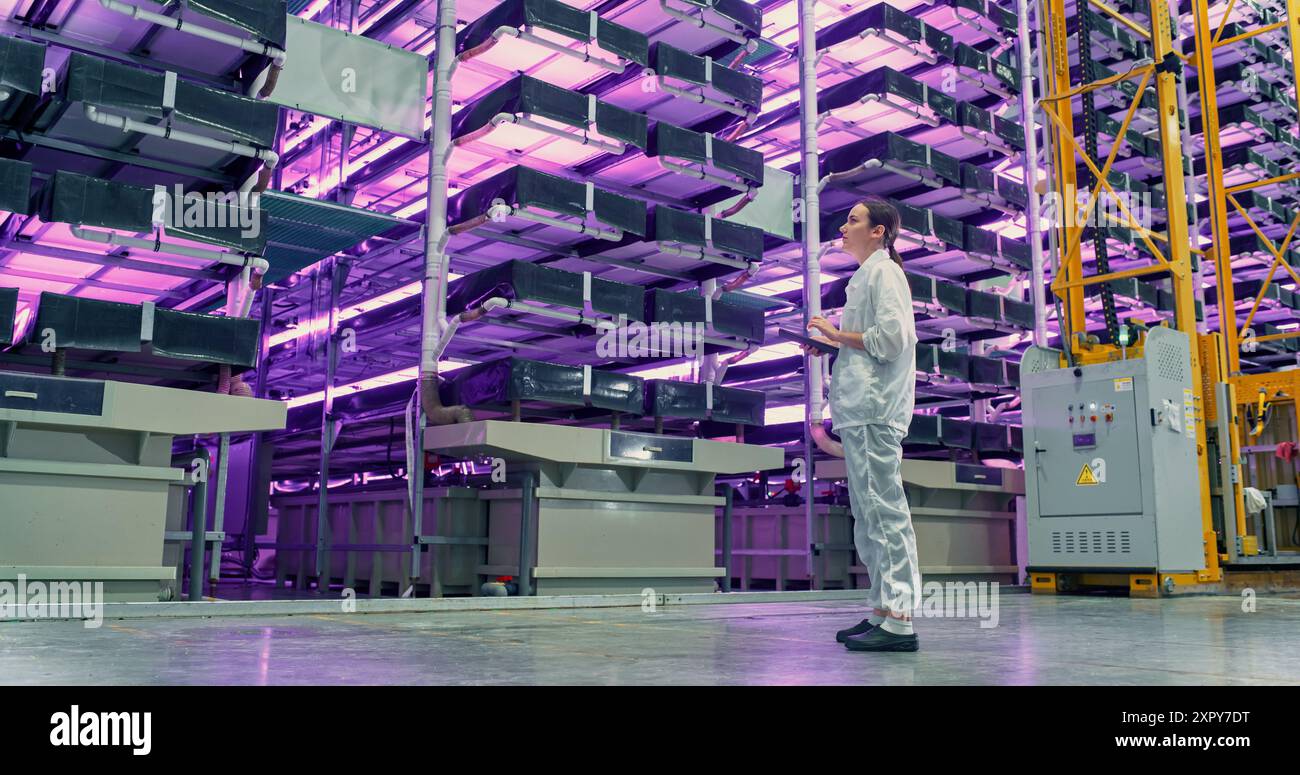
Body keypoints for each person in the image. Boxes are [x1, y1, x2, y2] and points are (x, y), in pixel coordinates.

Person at [804, 198, 922, 653]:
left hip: (876, 410)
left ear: (878, 231)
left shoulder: (885, 273)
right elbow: (867, 343)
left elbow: (893, 339)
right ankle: (882, 610)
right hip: (859, 411)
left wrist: (836, 335)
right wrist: (833, 347)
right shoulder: (865, 276)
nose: (844, 225)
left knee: (885, 513)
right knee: (869, 514)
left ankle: (899, 621)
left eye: (853, 219)